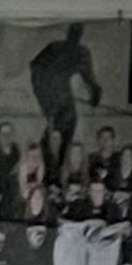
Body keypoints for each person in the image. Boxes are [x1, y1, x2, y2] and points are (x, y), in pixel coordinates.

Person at [28, 22, 100, 162]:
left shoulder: (79, 52)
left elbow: (90, 79)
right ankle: (46, 166)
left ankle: (56, 167)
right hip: (54, 101)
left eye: (77, 33)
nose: (74, 36)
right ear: (68, 33)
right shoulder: (57, 48)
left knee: (62, 137)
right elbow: (35, 67)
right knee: (56, 136)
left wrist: (95, 95)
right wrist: (45, 100)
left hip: (61, 102)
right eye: (73, 32)